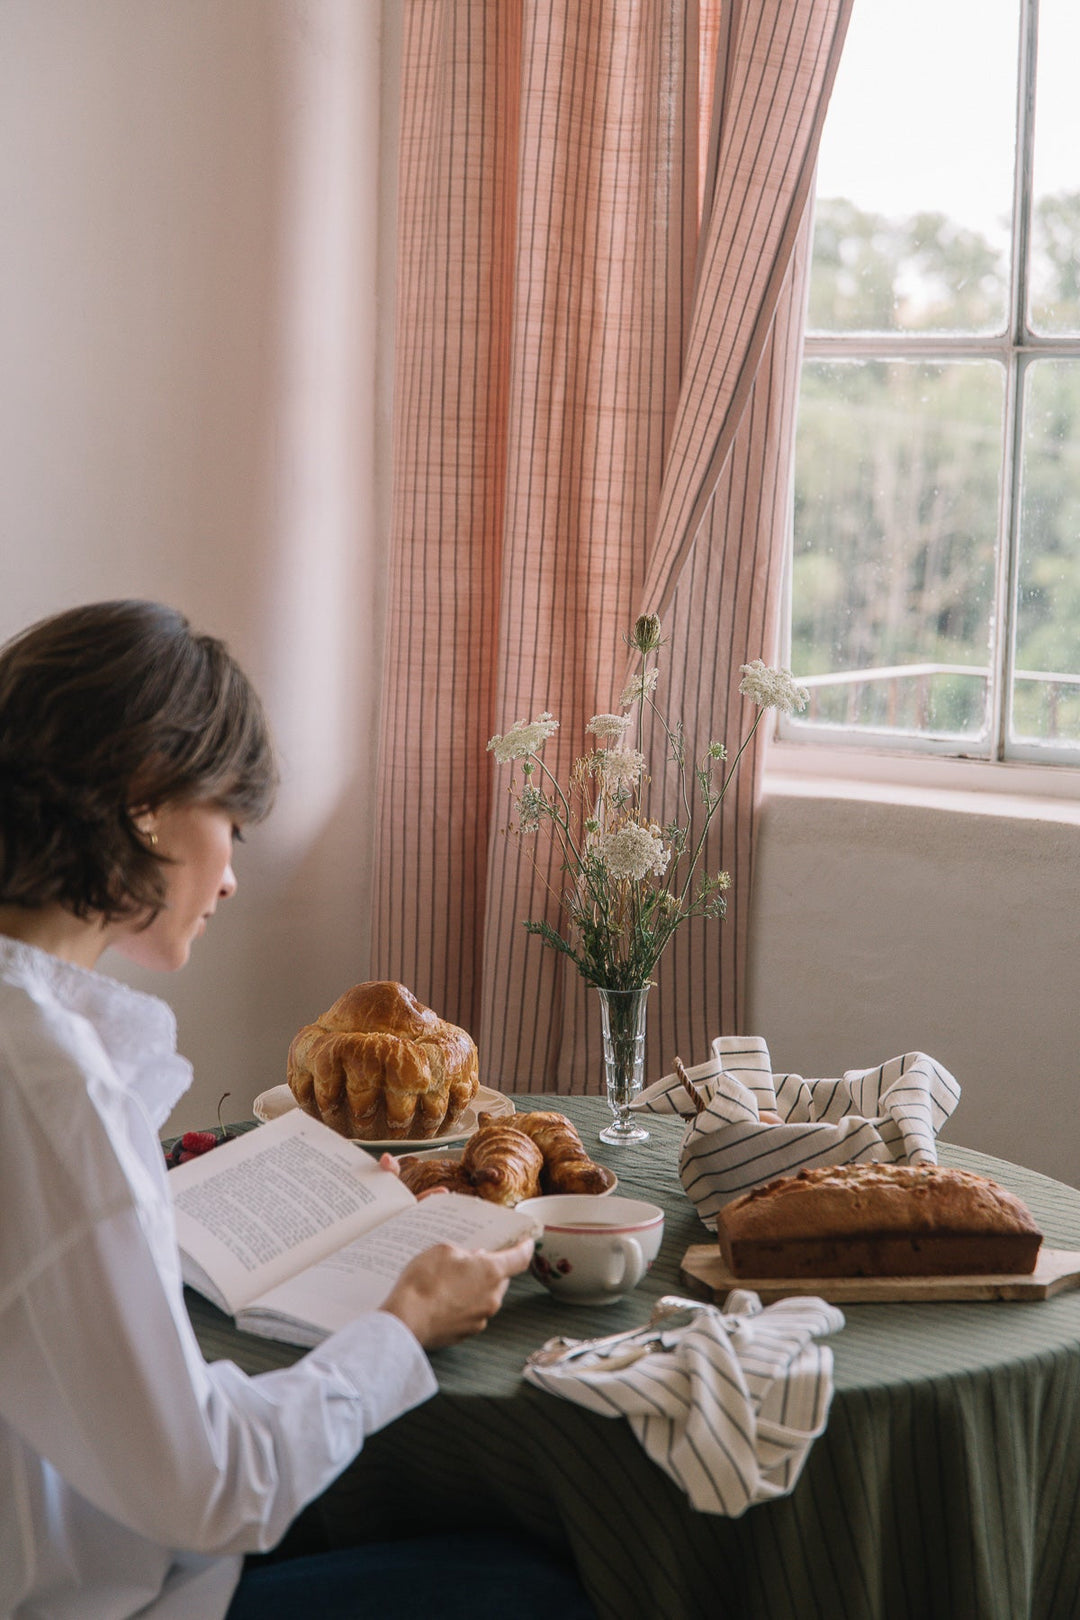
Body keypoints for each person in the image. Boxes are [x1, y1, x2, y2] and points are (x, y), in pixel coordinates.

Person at [0, 600, 595, 1620]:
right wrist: (402, 1327)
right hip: (101, 1594)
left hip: (90, 1530)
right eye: (228, 819)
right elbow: (210, 1488)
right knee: (555, 1583)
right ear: (146, 798)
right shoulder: (45, 1086)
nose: (232, 873)